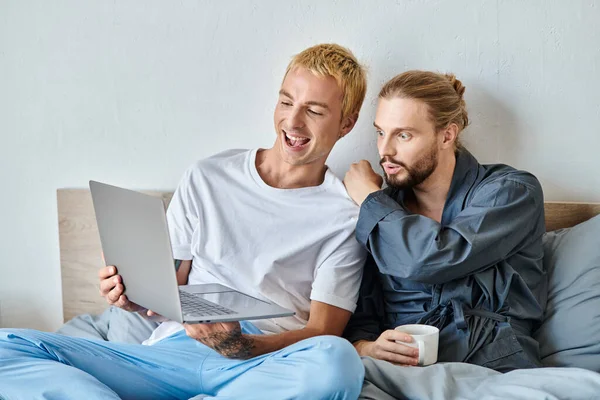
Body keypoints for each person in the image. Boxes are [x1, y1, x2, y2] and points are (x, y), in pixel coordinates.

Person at [0, 43, 368, 400]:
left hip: (262, 363)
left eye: (315, 111)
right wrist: (132, 294)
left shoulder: (343, 215)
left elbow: (324, 332)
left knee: (339, 363)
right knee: (8, 347)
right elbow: (170, 289)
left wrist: (244, 346)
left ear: (346, 124)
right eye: (286, 101)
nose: (293, 120)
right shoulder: (209, 176)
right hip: (173, 351)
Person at [342, 70, 547, 377]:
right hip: (403, 374)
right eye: (380, 132)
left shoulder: (513, 192)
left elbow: (432, 258)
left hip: (494, 368)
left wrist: (371, 200)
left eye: (403, 135)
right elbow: (361, 315)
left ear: (447, 135)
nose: (385, 151)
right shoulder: (382, 211)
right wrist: (368, 347)